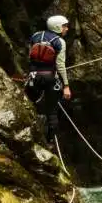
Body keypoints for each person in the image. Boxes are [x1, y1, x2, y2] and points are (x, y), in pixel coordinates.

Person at [25, 15, 72, 145]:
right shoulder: (59, 42)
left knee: (30, 104)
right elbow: (60, 65)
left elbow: (30, 56)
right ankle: (50, 142)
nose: (66, 29)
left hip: (34, 76)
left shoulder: (35, 36)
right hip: (50, 78)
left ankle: (31, 134)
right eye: (64, 26)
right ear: (57, 27)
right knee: (52, 111)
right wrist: (66, 86)